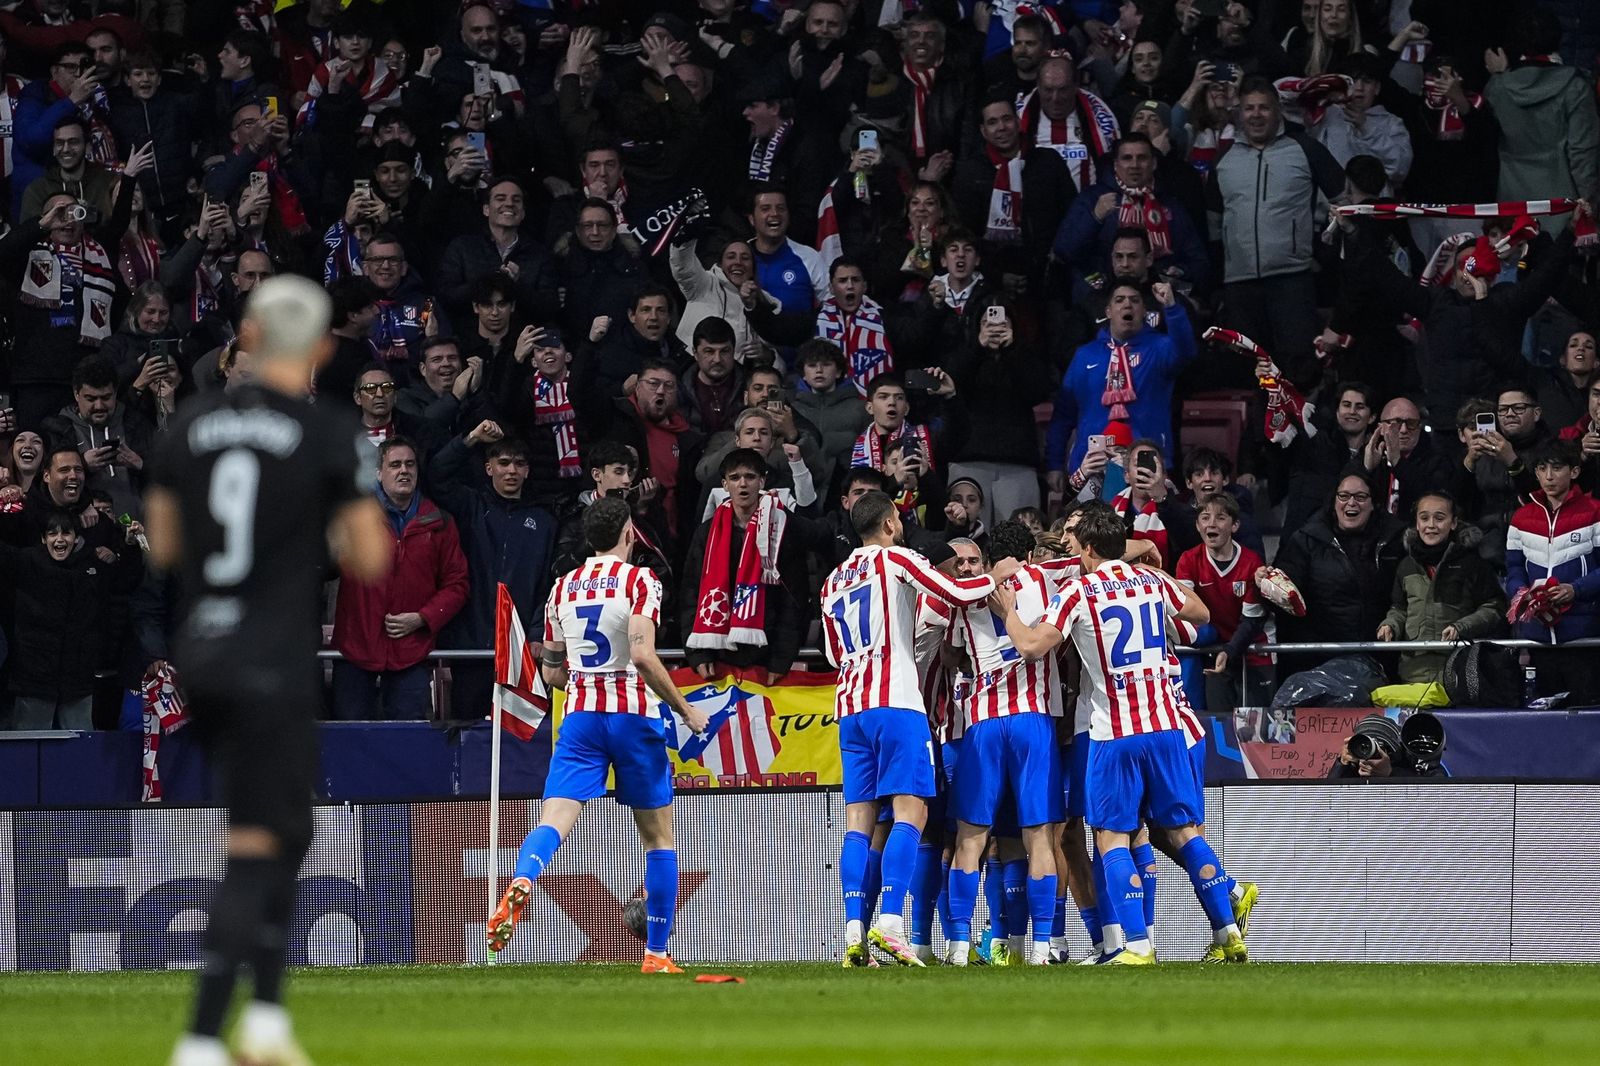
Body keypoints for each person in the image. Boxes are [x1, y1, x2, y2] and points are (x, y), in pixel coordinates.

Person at [146, 275, 391, 1066]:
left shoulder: (187, 422)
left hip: (201, 653)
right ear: (321, 348)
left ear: (249, 333)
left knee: (285, 828)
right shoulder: (325, 430)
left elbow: (165, 548)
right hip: (271, 656)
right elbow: (368, 557)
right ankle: (203, 1039)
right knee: (258, 843)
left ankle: (269, 1024)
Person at [994, 501, 1248, 965]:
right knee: (1183, 832)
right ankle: (1227, 931)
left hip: (1117, 730)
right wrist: (1157, 572)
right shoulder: (1152, 581)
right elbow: (1202, 613)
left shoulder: (1079, 591)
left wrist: (1010, 611)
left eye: (1075, 544)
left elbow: (1031, 646)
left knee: (1112, 837)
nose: (1071, 550)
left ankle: (1136, 945)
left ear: (1090, 548)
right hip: (1169, 726)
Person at [487, 497, 709, 974]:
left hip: (582, 716)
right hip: (632, 715)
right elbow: (645, 657)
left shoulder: (561, 588)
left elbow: (550, 670)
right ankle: (656, 953)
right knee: (658, 839)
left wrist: (586, 680)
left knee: (555, 818)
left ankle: (524, 877)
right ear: (629, 533)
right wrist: (686, 709)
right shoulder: (640, 580)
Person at [821, 489, 1018, 967]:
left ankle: (853, 932)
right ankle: (890, 923)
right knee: (913, 814)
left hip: (851, 704)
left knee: (860, 823)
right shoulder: (896, 558)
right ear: (889, 524)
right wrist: (997, 576)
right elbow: (957, 590)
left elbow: (831, 653)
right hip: (897, 702)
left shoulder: (831, 581)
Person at [943, 521, 1066, 966]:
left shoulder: (967, 594)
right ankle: (1040, 947)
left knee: (970, 838)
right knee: (1039, 839)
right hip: (1032, 720)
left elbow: (952, 654)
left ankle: (957, 946)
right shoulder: (1044, 579)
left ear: (988, 558)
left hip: (983, 723)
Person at [1206, 76, 1344, 386]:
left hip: (1292, 280)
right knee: (1247, 371)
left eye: (1264, 108)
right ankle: (1255, 435)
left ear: (1278, 111)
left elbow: (1344, 203)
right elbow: (1214, 220)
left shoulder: (1305, 149)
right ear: (1239, 113)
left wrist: (1323, 251)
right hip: (1239, 284)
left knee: (1300, 369)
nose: (1256, 115)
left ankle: (1302, 434)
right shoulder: (1224, 159)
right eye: (1249, 108)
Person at [426, 420, 560, 724]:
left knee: (518, 738)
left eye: (518, 464)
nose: (511, 470)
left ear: (527, 470)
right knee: (468, 730)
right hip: (472, 644)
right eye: (503, 463)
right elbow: (436, 474)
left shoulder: (544, 522)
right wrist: (471, 438)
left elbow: (548, 585)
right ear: (489, 468)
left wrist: (538, 632)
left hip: (522, 648)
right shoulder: (471, 506)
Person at [330, 437, 468, 721]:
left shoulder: (440, 522)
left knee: (406, 745)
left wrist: (423, 617)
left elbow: (458, 583)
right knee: (349, 745)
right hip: (355, 649)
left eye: (409, 464)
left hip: (412, 653)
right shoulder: (353, 518)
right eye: (394, 465)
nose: (403, 471)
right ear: (378, 473)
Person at [0, 507, 144, 730]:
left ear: (76, 538)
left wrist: (131, 546)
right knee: (27, 754)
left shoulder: (91, 567)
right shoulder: (26, 562)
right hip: (33, 683)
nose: (59, 539)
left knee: (79, 757)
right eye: (52, 534)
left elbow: (124, 580)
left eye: (66, 533)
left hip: (78, 684)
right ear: (43, 538)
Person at [1046, 281, 1193, 496]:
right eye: (1119, 300)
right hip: (1093, 465)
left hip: (1146, 465)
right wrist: (1054, 463)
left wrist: (1171, 307)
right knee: (1092, 529)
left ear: (1143, 311)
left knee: (1144, 528)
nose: (1127, 305)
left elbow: (1186, 349)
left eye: (1135, 301)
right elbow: (1063, 414)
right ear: (1108, 311)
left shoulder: (1159, 349)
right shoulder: (1085, 355)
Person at [1504, 439, 1600, 701]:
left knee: (1587, 720)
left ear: (1575, 472)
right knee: (1542, 721)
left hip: (1584, 639)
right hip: (1538, 638)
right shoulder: (1521, 518)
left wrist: (1575, 590)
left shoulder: (1594, 512)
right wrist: (1522, 594)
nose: (1548, 476)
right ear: (1535, 472)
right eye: (1542, 468)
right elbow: (1513, 567)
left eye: (1557, 468)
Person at [1377, 491, 1505, 686]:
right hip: (1412, 674)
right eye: (1424, 518)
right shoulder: (1406, 566)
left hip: (1458, 673)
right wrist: (1390, 625)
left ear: (1453, 523)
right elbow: (1399, 608)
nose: (1431, 525)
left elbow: (1495, 607)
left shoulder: (1472, 564)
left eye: (1439, 518)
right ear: (1417, 523)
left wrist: (1461, 627)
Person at [1274, 474, 1406, 647]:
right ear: (1334, 502)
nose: (1351, 502)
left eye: (1360, 497)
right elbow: (1282, 600)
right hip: (1319, 657)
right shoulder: (1305, 540)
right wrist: (1266, 584)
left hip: (1381, 652)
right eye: (1343, 496)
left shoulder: (1395, 539)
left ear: (1373, 504)